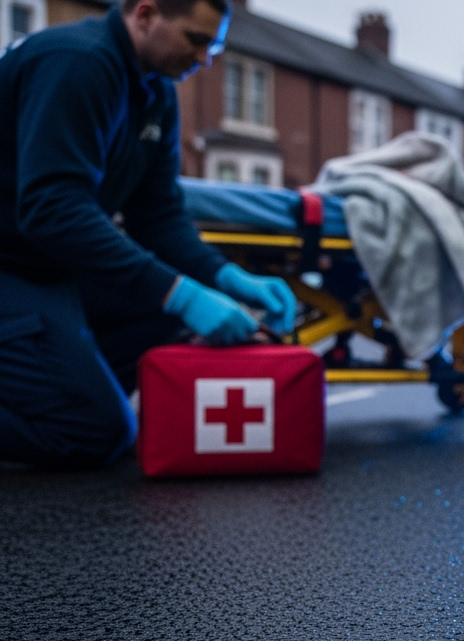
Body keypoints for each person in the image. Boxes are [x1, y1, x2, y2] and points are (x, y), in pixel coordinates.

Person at [0, 0, 296, 469]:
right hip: (11, 266)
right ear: (145, 15)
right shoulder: (76, 63)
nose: (204, 60)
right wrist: (181, 295)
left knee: (162, 317)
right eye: (196, 41)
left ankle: (68, 383)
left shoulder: (156, 94)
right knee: (97, 430)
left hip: (43, 265)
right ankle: (78, 401)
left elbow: (157, 217)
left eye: (213, 48)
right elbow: (52, 208)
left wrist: (224, 277)